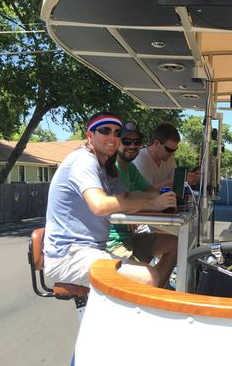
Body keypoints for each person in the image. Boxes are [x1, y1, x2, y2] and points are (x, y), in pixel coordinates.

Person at [43, 113, 177, 288]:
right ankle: (146, 301)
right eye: (105, 130)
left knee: (174, 245)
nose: (112, 137)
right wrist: (152, 203)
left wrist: (161, 198)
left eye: (117, 133)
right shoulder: (83, 160)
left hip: (95, 248)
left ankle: (153, 297)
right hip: (69, 255)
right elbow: (99, 205)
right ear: (90, 135)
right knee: (148, 276)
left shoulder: (106, 168)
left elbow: (127, 198)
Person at [106, 121, 178, 288]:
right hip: (112, 243)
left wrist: (166, 198)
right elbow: (111, 202)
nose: (133, 146)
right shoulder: (109, 169)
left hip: (132, 236)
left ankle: (155, 292)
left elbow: (151, 191)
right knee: (149, 276)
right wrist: (135, 208)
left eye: (137, 142)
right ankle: (149, 295)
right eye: (127, 141)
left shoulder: (129, 168)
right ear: (116, 141)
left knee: (176, 244)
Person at [133, 122, 200, 190]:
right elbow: (144, 193)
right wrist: (178, 181)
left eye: (175, 150)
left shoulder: (169, 158)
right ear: (156, 143)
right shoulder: (139, 160)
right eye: (169, 149)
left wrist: (188, 179)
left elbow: (176, 183)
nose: (172, 154)